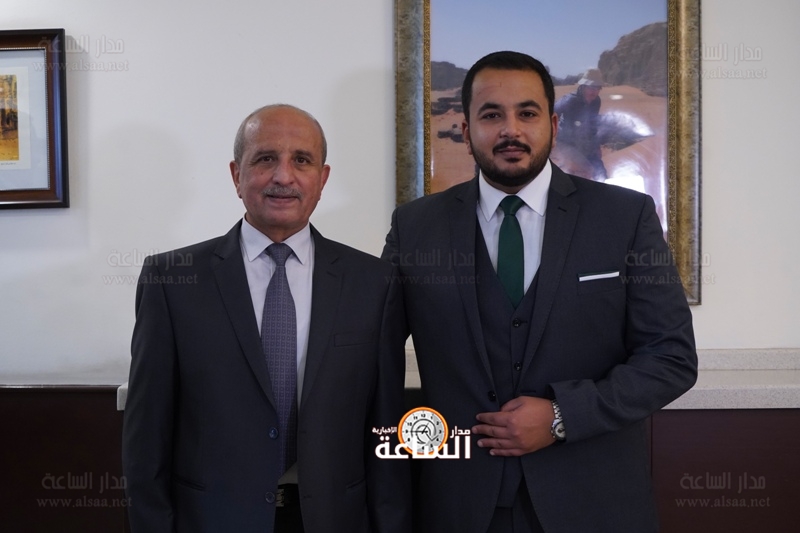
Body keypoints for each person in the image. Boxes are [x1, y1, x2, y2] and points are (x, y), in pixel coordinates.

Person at [382, 51, 697, 532]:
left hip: (594, 505)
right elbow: (369, 351)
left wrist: (561, 416)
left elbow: (671, 358)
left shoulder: (625, 218)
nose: (511, 130)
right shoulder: (414, 227)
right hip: (459, 506)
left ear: (552, 124)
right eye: (491, 115)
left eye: (527, 113)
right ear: (466, 130)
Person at [123, 104, 410, 533]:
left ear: (322, 179)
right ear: (236, 175)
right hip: (212, 520)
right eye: (265, 159)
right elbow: (147, 437)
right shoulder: (171, 280)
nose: (283, 176)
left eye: (302, 160)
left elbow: (386, 433)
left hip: (334, 518)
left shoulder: (374, 283)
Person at [554, 68, 607, 181]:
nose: (595, 91)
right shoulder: (569, 100)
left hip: (586, 144)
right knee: (583, 171)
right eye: (592, 87)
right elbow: (551, 114)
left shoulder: (596, 101)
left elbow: (593, 125)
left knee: (601, 173)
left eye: (598, 88)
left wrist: (596, 146)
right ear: (583, 86)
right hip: (567, 144)